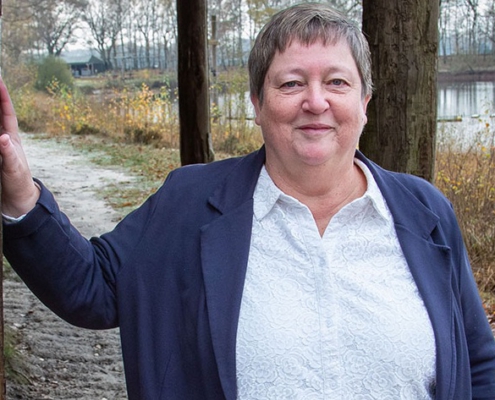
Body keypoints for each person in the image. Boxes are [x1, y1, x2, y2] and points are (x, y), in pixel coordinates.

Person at [1, 3, 494, 399]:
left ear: (364, 103)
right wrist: (20, 190)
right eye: (291, 83)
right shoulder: (189, 204)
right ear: (257, 104)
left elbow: (477, 362)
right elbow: (91, 287)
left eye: (337, 82)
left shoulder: (424, 212)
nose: (316, 101)